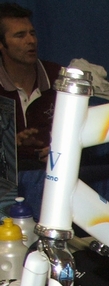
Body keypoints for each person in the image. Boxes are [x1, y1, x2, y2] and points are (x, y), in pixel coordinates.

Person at [0, 2, 60, 169]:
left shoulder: (58, 78)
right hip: (9, 176)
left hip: (56, 171)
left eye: (32, 33)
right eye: (20, 35)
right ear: (1, 44)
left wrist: (61, 150)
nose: (31, 41)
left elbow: (82, 133)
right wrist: (10, 145)